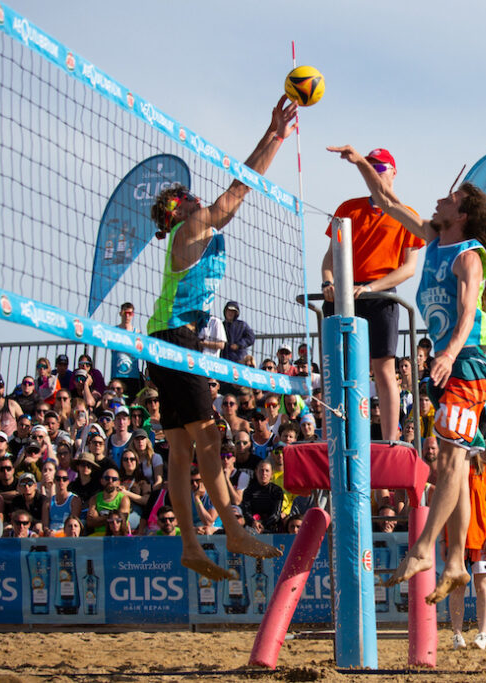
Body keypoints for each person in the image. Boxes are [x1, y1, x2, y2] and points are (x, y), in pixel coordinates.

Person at [329, 144, 486, 604]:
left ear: (462, 213)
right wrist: (360, 161)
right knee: (454, 460)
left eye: (449, 198)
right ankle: (455, 561)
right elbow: (386, 201)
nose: (440, 199)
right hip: (452, 363)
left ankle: (424, 550)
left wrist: (447, 354)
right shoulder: (435, 238)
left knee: (449, 457)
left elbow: (466, 314)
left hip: (469, 362)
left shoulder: (468, 256)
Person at [146, 97, 296, 578]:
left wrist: (273, 135)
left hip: (161, 338)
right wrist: (273, 136)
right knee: (209, 439)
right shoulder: (194, 224)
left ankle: (191, 545)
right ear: (179, 209)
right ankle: (232, 529)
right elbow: (240, 188)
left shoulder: (192, 230)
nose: (195, 198)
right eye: (187, 197)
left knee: (180, 449)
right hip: (175, 338)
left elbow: (236, 191)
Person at [322, 147, 425, 442]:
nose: (376, 171)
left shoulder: (407, 215)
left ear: (394, 172)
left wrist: (370, 288)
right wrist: (328, 283)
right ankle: (337, 433)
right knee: (338, 369)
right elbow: (330, 258)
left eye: (381, 167)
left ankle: (391, 438)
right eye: (371, 166)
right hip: (343, 295)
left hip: (381, 296)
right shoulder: (348, 208)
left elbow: (408, 269)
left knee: (383, 369)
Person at [449, 445, 486, 651]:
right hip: (458, 540)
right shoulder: (455, 470)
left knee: (483, 587)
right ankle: (457, 634)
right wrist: (446, 542)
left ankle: (482, 633)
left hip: (481, 539)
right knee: (457, 588)